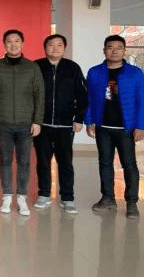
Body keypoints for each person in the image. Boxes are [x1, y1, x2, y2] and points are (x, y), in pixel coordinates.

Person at [85, 34, 144, 219]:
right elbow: (89, 99)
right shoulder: (94, 72)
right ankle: (108, 198)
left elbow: (142, 100)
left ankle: (132, 202)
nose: (114, 51)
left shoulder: (134, 73)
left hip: (126, 128)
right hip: (103, 127)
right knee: (105, 163)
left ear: (124, 51)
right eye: (110, 47)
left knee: (129, 164)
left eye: (119, 47)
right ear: (104, 50)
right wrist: (89, 121)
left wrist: (140, 126)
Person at [0, 29, 44, 216]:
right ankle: (7, 195)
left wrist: (37, 121)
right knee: (5, 160)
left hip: (26, 123)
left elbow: (39, 96)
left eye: (17, 41)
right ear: (4, 44)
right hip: (3, 123)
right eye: (9, 41)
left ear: (22, 44)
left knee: (24, 161)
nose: (13, 44)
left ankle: (21, 198)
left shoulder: (32, 68)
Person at [34, 34, 88, 214]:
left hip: (65, 125)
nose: (55, 48)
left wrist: (79, 118)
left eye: (59, 45)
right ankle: (44, 194)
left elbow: (83, 95)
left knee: (65, 162)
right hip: (41, 124)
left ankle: (67, 197)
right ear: (45, 48)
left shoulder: (73, 68)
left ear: (64, 48)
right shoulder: (36, 67)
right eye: (51, 45)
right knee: (43, 161)